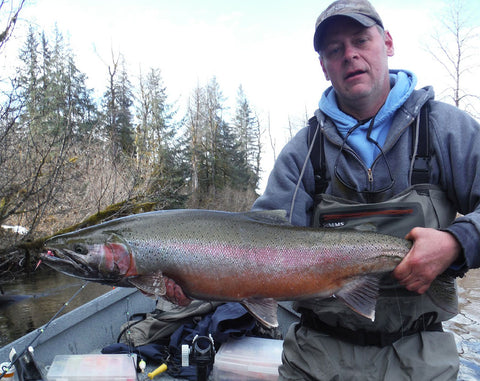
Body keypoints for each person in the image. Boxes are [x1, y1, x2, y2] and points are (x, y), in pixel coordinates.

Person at [165, 0, 480, 379]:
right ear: (324, 66)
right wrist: (197, 281)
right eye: (334, 50)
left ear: (388, 43)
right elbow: (256, 247)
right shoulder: (304, 151)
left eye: (361, 40)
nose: (350, 55)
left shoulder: (446, 129)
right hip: (319, 353)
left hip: (420, 351)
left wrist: (458, 243)